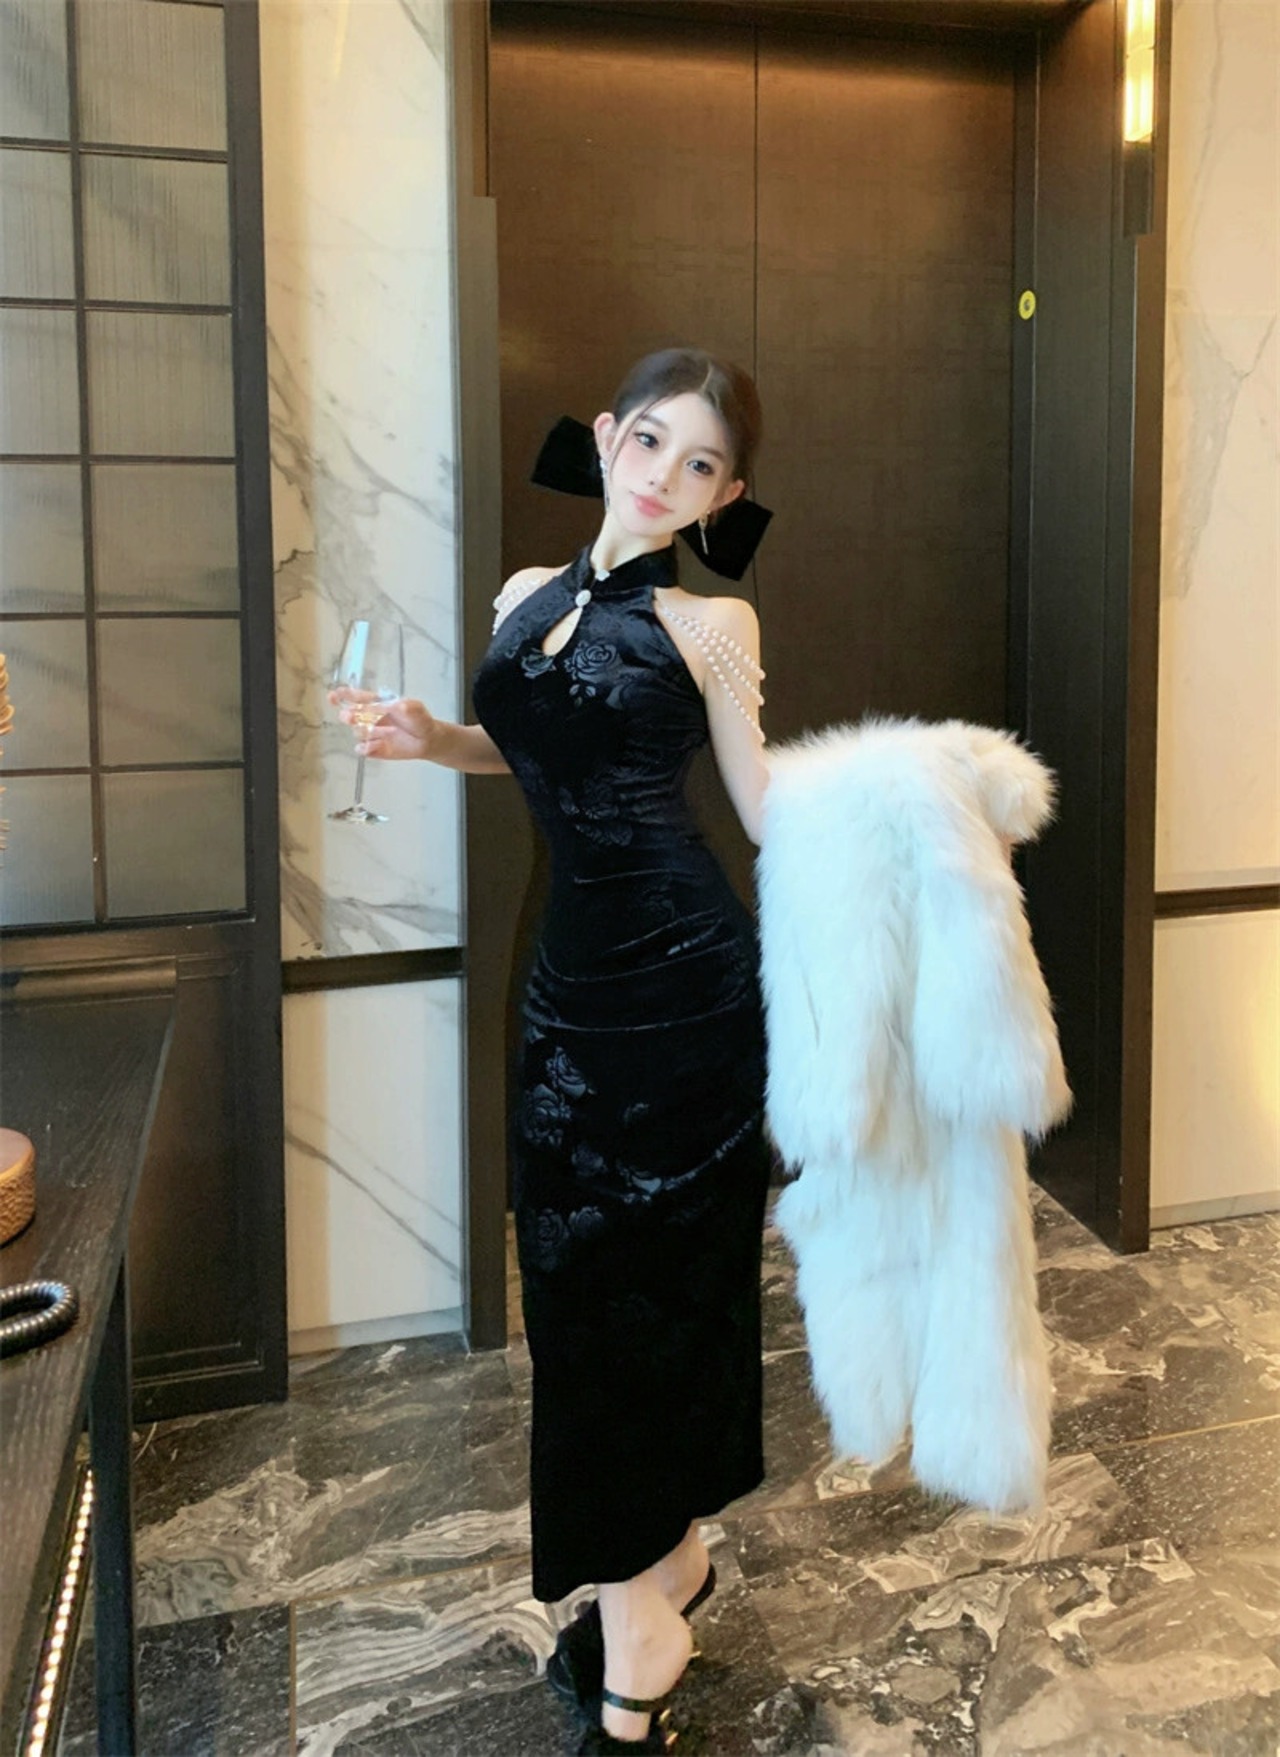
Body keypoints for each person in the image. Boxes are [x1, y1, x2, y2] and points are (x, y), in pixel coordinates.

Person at [337, 348, 772, 1754]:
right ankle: (670, 1558)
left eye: (698, 465)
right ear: (605, 436)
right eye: (649, 441)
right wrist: (432, 740)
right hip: (566, 994)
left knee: (660, 1295)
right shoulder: (528, 595)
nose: (663, 475)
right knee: (580, 1299)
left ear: (722, 496)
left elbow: (765, 812)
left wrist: (915, 824)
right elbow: (534, 753)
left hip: (687, 996)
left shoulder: (713, 623)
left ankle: (642, 1624)